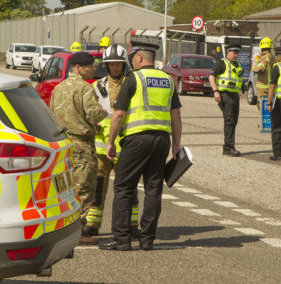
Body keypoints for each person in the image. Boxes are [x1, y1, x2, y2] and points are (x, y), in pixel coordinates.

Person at [99, 41, 182, 251]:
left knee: (123, 187)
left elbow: (118, 114)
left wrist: (111, 142)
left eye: (132, 58)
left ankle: (122, 240)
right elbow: (176, 116)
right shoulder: (168, 80)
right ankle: (147, 240)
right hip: (162, 140)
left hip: (136, 140)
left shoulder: (133, 78)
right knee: (154, 189)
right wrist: (176, 145)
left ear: (139, 58)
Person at [49, 51, 108, 245]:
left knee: (64, 188)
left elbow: (51, 113)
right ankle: (78, 232)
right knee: (83, 189)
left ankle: (61, 228)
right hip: (82, 144)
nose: (93, 69)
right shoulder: (85, 88)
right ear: (78, 68)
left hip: (63, 143)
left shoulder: (58, 88)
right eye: (90, 66)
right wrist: (105, 112)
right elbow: (94, 114)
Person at [84, 44, 141, 238]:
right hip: (102, 147)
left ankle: (132, 224)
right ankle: (92, 224)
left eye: (118, 64)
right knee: (99, 186)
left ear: (124, 64)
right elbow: (90, 111)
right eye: (111, 64)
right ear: (106, 65)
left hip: (126, 145)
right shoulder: (98, 85)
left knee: (128, 188)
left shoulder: (132, 82)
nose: (115, 68)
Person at [208, 45, 244, 157]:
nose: (236, 55)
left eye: (237, 53)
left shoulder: (237, 65)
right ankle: (229, 147)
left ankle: (228, 146)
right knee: (229, 120)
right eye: (234, 53)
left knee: (234, 121)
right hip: (225, 95)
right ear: (228, 53)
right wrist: (215, 91)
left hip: (234, 96)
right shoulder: (221, 63)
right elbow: (211, 76)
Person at [251, 37, 277, 106]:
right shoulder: (273, 57)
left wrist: (254, 66)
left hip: (263, 88)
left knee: (263, 109)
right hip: (272, 87)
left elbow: (260, 69)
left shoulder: (263, 57)